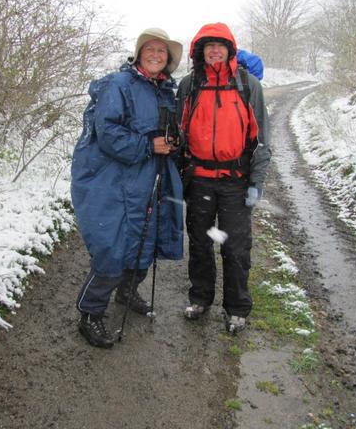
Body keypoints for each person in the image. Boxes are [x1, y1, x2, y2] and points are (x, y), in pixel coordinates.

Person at [71, 28, 185, 348]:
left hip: (150, 177)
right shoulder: (119, 85)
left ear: (169, 61)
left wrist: (172, 142)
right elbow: (107, 133)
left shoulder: (164, 90)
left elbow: (165, 132)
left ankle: (126, 291)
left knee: (146, 240)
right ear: (138, 53)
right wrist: (151, 145)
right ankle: (90, 313)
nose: (155, 55)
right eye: (149, 49)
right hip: (113, 178)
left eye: (162, 52)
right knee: (114, 247)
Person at [176, 22, 271, 334]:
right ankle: (200, 299)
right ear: (200, 52)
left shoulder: (248, 84)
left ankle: (237, 308)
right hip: (199, 179)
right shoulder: (190, 85)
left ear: (230, 50)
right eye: (208, 45)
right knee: (201, 244)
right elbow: (179, 135)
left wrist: (256, 182)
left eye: (220, 45)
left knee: (235, 248)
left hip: (235, 180)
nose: (214, 50)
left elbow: (261, 141)